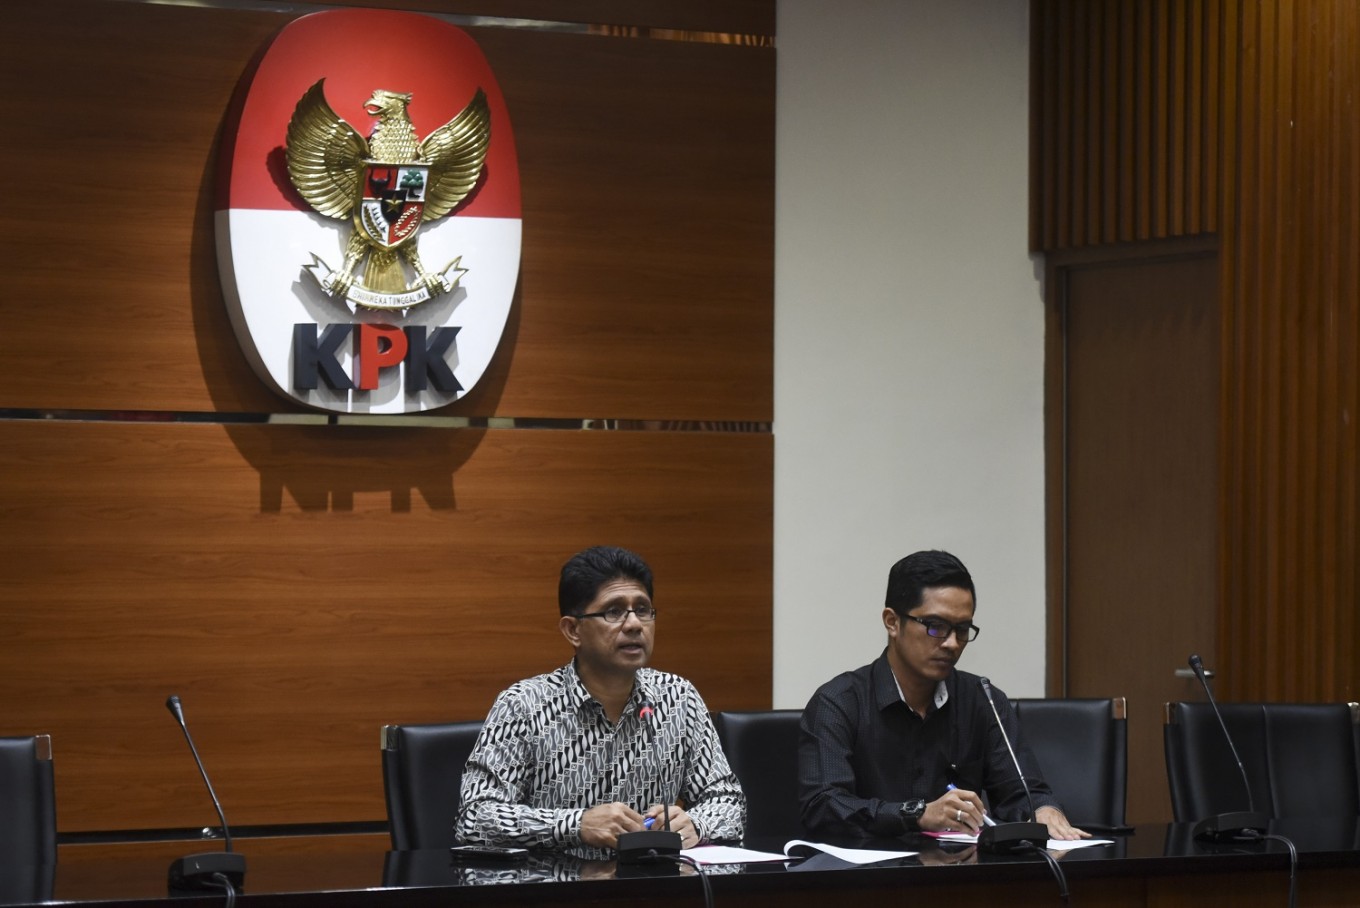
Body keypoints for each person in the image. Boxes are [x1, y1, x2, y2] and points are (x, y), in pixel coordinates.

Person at [455, 545, 745, 853]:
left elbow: (727, 801)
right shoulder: (523, 705)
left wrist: (695, 824)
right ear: (573, 630)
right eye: (614, 611)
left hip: (649, 888)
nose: (634, 624)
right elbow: (474, 819)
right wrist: (575, 825)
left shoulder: (677, 698)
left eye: (643, 610)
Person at [798, 549, 1087, 841]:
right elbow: (823, 807)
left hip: (960, 875)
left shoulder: (982, 700)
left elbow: (1022, 792)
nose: (951, 643)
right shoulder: (839, 702)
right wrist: (917, 814)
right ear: (892, 622)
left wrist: (1043, 808)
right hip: (869, 879)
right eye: (936, 627)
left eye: (962, 629)